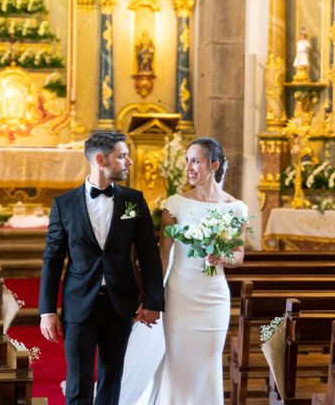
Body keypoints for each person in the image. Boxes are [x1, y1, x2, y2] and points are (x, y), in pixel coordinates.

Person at [39, 132, 164, 405]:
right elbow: (52, 258)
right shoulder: (64, 203)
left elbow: (149, 254)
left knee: (111, 379)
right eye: (121, 156)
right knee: (79, 381)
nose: (129, 161)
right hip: (79, 303)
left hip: (120, 303)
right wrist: (47, 310)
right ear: (100, 159)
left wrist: (153, 300)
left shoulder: (133, 200)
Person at [123, 137, 248, 404]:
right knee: (178, 360)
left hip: (214, 297)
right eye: (188, 161)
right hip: (180, 295)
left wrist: (221, 256)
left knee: (208, 361)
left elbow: (239, 255)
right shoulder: (176, 204)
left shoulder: (235, 208)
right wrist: (152, 296)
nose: (190, 167)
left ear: (214, 165)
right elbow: (164, 254)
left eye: (196, 161)